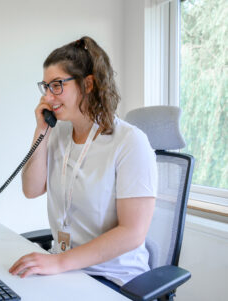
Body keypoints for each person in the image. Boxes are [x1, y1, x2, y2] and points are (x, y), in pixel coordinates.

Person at [9, 36, 157, 290]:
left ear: (88, 84)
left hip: (114, 279)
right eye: (45, 87)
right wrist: (41, 131)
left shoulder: (130, 142)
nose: (48, 96)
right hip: (67, 270)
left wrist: (58, 263)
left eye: (56, 85)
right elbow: (31, 190)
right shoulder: (59, 134)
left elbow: (133, 232)